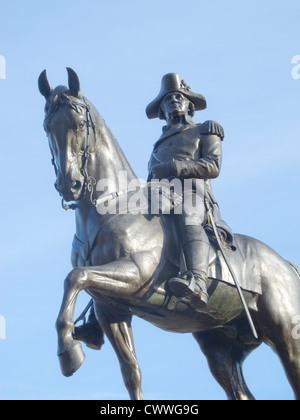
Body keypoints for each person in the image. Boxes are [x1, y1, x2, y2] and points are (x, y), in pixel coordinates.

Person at [146, 73, 225, 307]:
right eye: (168, 99)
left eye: (179, 97)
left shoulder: (205, 129)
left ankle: (198, 281)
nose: (174, 101)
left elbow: (213, 166)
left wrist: (174, 167)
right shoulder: (158, 145)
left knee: (187, 214)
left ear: (190, 104)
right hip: (160, 195)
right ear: (161, 109)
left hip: (192, 192)